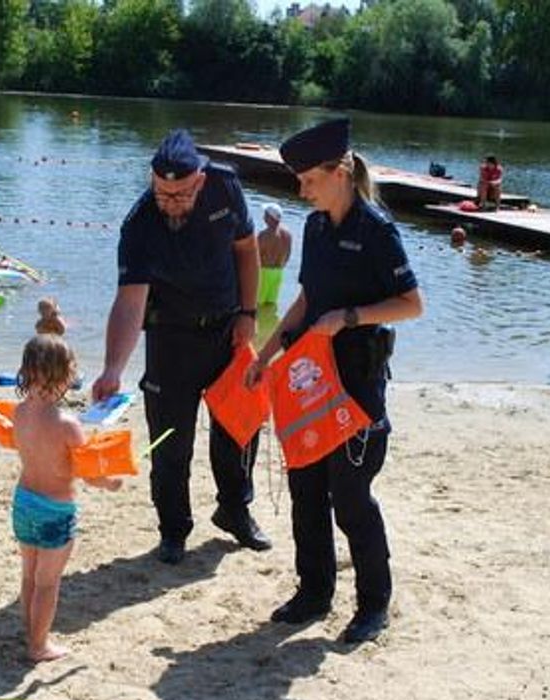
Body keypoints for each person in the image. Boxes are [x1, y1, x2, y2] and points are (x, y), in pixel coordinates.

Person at [245, 118, 424, 644]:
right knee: (305, 490)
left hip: (357, 384)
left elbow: (412, 306)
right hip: (308, 381)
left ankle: (373, 604)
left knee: (350, 497)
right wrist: (267, 351)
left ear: (340, 171)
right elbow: (304, 301)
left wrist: (347, 318)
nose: (301, 190)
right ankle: (314, 592)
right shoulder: (316, 227)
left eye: (308, 179)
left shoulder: (377, 231)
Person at [92, 128, 269, 565]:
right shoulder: (140, 225)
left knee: (238, 431)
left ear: (200, 181)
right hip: (170, 339)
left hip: (228, 332)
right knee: (170, 443)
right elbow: (129, 302)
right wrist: (113, 368)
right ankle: (173, 529)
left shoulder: (226, 187)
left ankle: (234, 510)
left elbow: (247, 251)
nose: (170, 203)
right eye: (162, 193)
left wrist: (249, 314)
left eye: (180, 195)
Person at [11, 327, 121, 662]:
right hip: (55, 511)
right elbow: (88, 474)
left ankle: (31, 632)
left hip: (24, 504)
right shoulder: (68, 424)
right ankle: (39, 646)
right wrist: (110, 483)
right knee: (48, 583)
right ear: (66, 374)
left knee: (30, 575)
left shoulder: (19, 413)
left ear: (26, 371)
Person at [257, 202, 292, 306]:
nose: (263, 216)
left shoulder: (263, 235)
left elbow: (255, 258)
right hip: (278, 273)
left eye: (265, 214)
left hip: (264, 273)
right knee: (270, 306)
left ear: (270, 217)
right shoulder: (288, 234)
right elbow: (288, 255)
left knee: (256, 306)